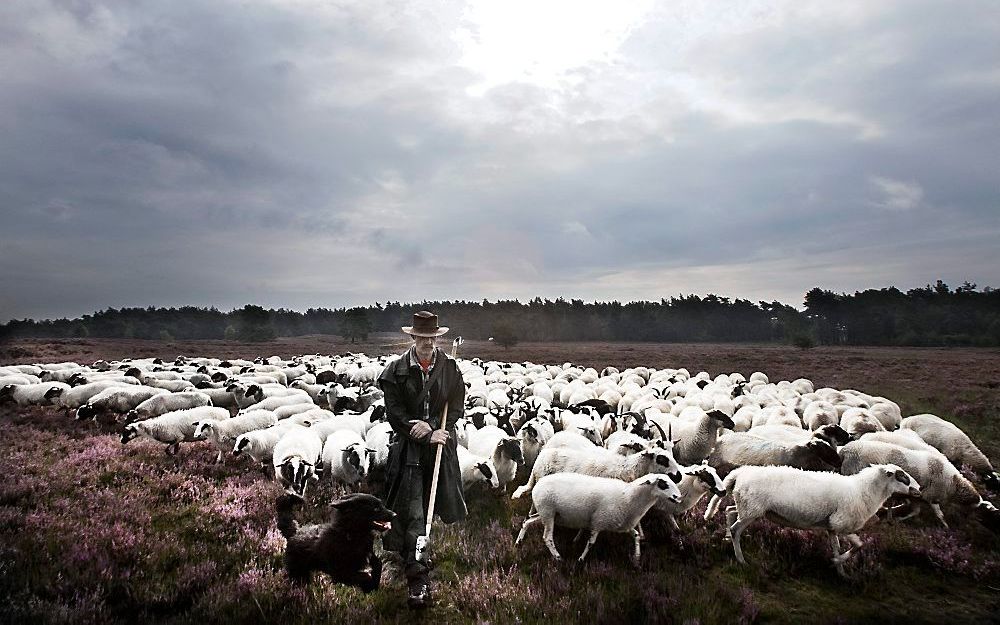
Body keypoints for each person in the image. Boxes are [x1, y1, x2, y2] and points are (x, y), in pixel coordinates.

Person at [377, 310, 466, 609]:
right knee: (412, 507)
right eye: (422, 338)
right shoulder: (396, 371)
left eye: (432, 338)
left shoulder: (450, 369)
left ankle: (412, 554)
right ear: (413, 337)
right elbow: (395, 414)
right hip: (409, 450)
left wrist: (441, 428)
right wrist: (424, 432)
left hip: (439, 448)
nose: (427, 343)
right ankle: (418, 578)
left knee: (434, 503)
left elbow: (456, 405)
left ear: (437, 338)